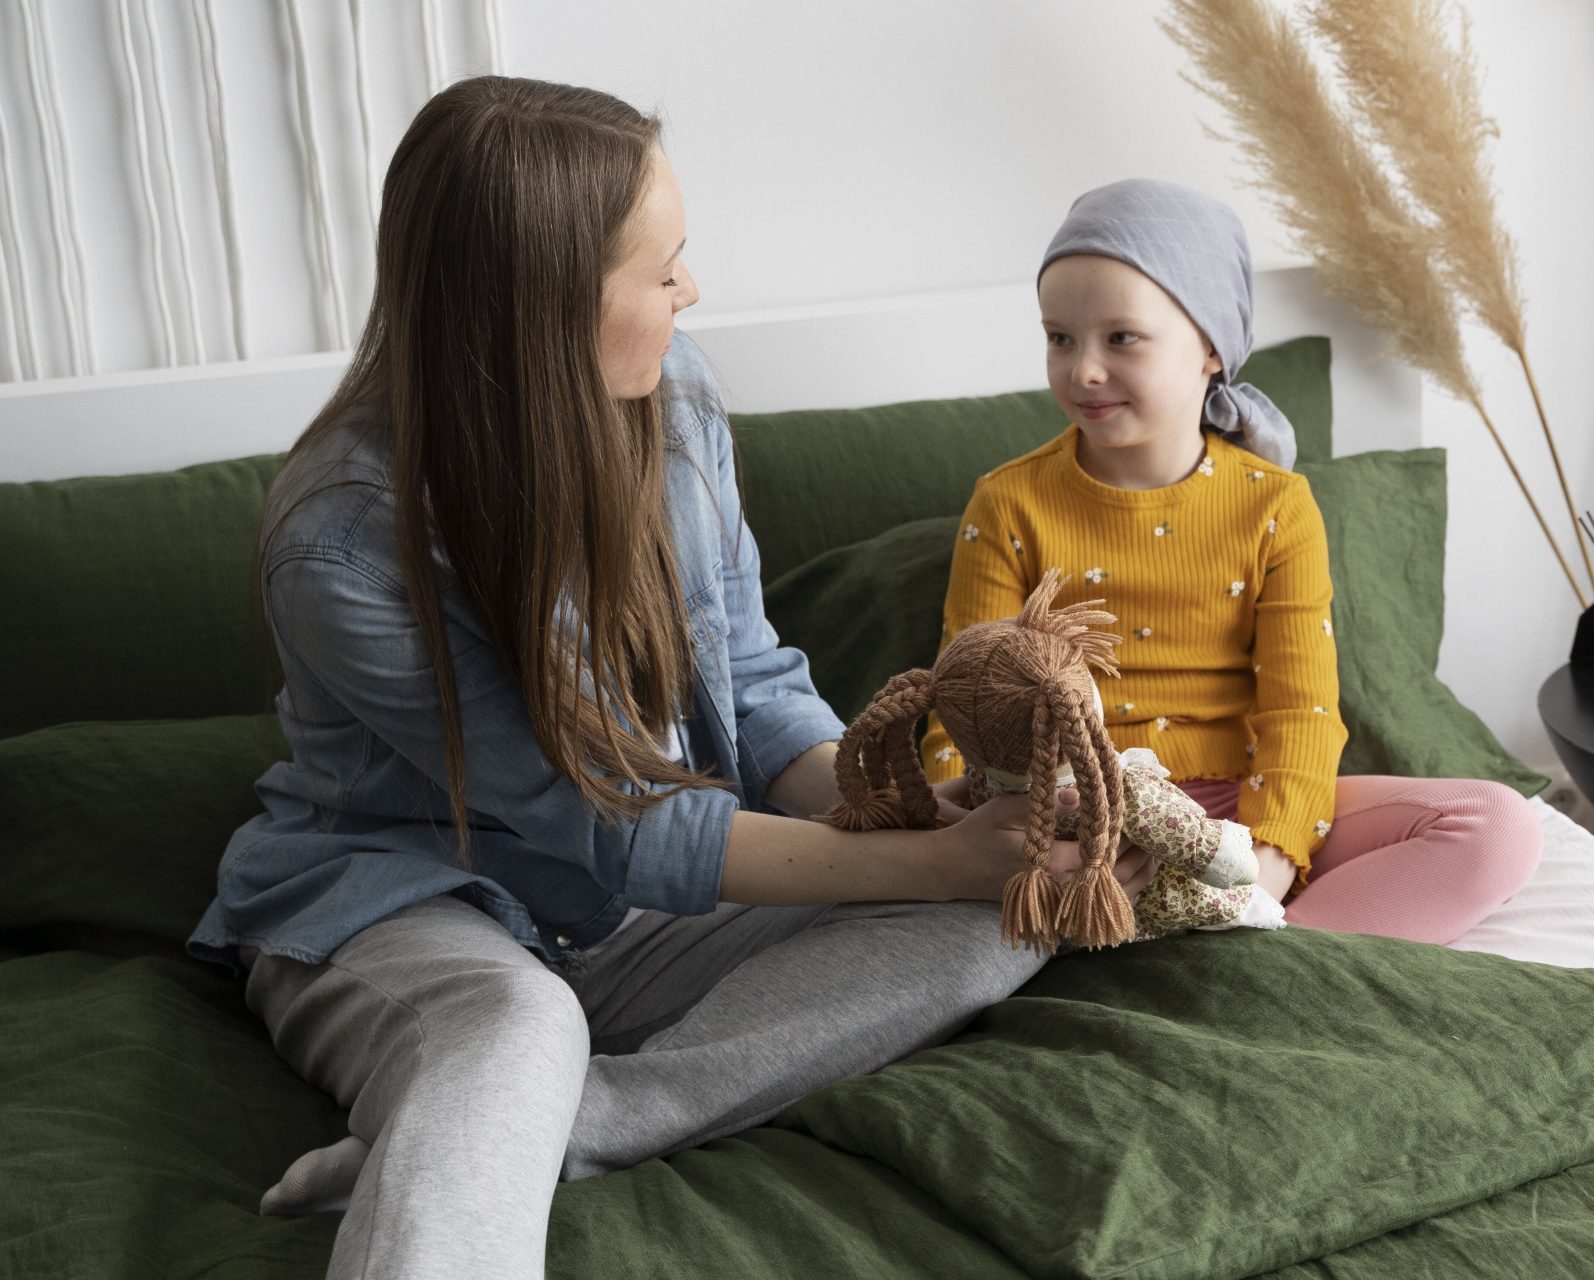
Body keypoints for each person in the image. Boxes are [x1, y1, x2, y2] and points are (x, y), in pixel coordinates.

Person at [186, 77, 1152, 1280]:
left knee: (1002, 916)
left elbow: (748, 679)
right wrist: (919, 856)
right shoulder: (340, 542)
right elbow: (611, 817)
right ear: (543, 308)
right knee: (516, 1026)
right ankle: (492, 1114)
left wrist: (906, 817)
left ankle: (548, 1132)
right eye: (663, 268)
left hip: (642, 913)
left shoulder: (676, 395)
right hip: (409, 901)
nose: (689, 291)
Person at [921, 177, 1541, 945]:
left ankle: (1254, 955)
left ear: (1211, 346)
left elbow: (1301, 711)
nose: (1082, 369)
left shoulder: (1275, 506)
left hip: (1241, 821)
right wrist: (980, 828)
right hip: (1080, 818)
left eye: (1121, 338)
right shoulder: (1008, 503)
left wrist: (1264, 871)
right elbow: (966, 702)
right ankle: (1197, 951)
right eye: (1060, 338)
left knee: (1498, 826)